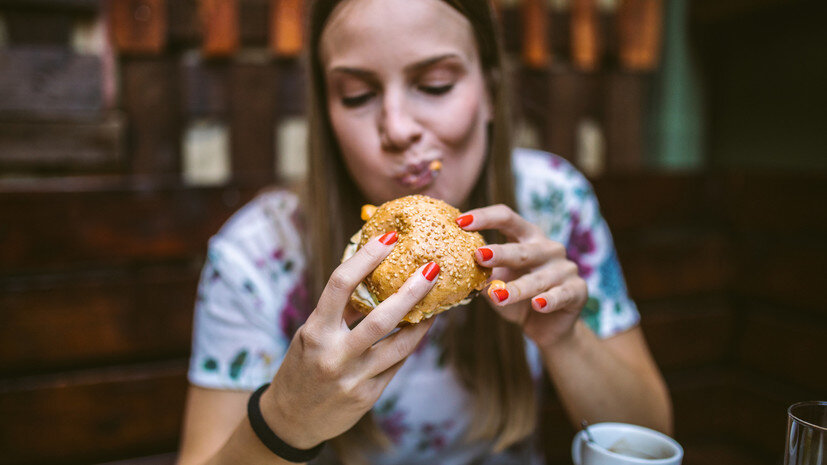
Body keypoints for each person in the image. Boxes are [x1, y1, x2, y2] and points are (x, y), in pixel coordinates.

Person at [176, 0, 672, 464]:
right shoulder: (257, 254)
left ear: (492, 93)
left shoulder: (554, 202)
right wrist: (285, 419)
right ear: (327, 116)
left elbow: (650, 436)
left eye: (435, 85)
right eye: (358, 95)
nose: (397, 128)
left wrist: (566, 340)